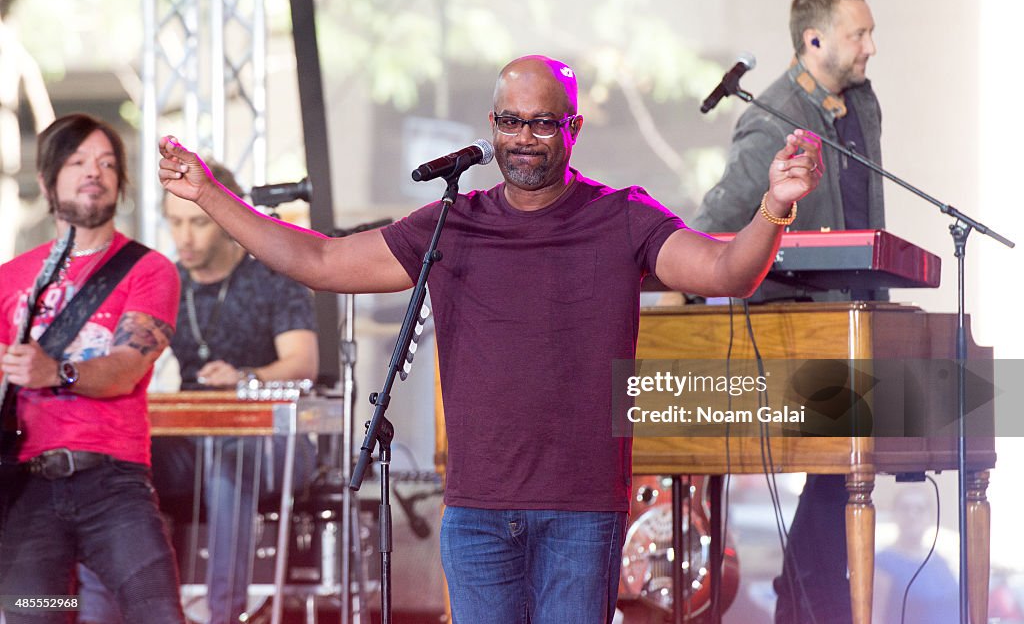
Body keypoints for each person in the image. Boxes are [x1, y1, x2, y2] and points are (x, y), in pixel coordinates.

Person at [158, 54, 823, 623]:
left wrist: (774, 207)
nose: (526, 137)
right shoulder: (454, 221)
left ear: (573, 129)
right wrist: (211, 196)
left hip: (580, 514)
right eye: (511, 121)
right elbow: (322, 263)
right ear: (492, 128)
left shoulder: (620, 217)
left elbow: (726, 272)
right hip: (477, 513)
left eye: (542, 122)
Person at [691, 0, 883, 624]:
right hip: (790, 330)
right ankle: (805, 600)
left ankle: (809, 598)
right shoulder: (770, 117)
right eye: (859, 34)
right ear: (814, 39)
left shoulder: (861, 102)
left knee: (853, 465)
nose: (870, 47)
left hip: (852, 319)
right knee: (844, 464)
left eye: (869, 32)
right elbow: (711, 225)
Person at [77, 162, 319, 624]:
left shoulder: (270, 277)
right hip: (194, 439)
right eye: (176, 221)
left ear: (228, 218)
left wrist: (246, 377)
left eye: (198, 221)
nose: (183, 235)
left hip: (272, 444)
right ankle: (110, 611)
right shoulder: (166, 281)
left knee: (228, 453)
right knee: (112, 457)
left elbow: (302, 362)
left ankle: (221, 615)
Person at [0, 113, 185, 623]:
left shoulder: (149, 269)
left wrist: (54, 371)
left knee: (158, 615)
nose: (94, 172)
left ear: (120, 184)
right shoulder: (11, 278)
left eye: (107, 163)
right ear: (46, 181)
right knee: (37, 612)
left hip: (114, 485)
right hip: (27, 489)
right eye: (78, 161)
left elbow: (127, 367)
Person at [873, 485, 957, 624]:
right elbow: (875, 617)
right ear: (894, 514)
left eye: (920, 509)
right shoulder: (882, 564)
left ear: (930, 516)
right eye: (905, 508)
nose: (912, 515)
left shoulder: (941, 562)